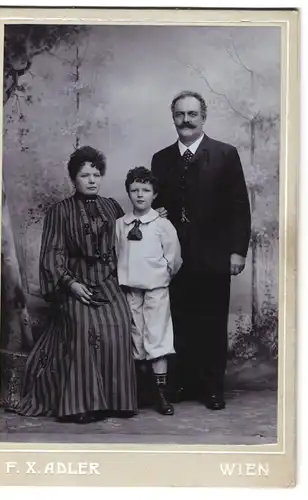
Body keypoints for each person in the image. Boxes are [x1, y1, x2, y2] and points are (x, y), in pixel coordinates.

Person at [18, 146, 137, 423]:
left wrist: (155, 219)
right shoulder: (59, 211)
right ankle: (82, 404)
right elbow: (52, 254)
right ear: (74, 179)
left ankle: (117, 401)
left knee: (119, 321)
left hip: (108, 281)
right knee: (84, 326)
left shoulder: (113, 207)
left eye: (96, 174)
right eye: (85, 175)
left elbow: (127, 240)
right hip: (74, 283)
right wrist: (71, 284)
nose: (92, 180)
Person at [151, 91, 251, 410]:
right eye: (180, 114)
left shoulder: (225, 154)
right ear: (173, 118)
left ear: (203, 118)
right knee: (180, 320)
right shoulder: (161, 159)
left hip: (214, 256)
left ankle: (212, 388)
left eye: (192, 114)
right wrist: (158, 213)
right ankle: (185, 384)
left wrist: (237, 252)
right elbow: (156, 205)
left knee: (211, 322)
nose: (186, 120)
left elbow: (239, 207)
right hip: (175, 257)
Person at [116, 167, 182, 415]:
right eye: (135, 190)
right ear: (129, 193)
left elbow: (174, 258)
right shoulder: (120, 225)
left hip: (156, 290)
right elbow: (116, 253)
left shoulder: (162, 225)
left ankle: (162, 395)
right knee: (136, 337)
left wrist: (161, 276)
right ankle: (139, 392)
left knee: (157, 337)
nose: (140, 195)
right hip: (130, 290)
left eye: (145, 190)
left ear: (154, 194)